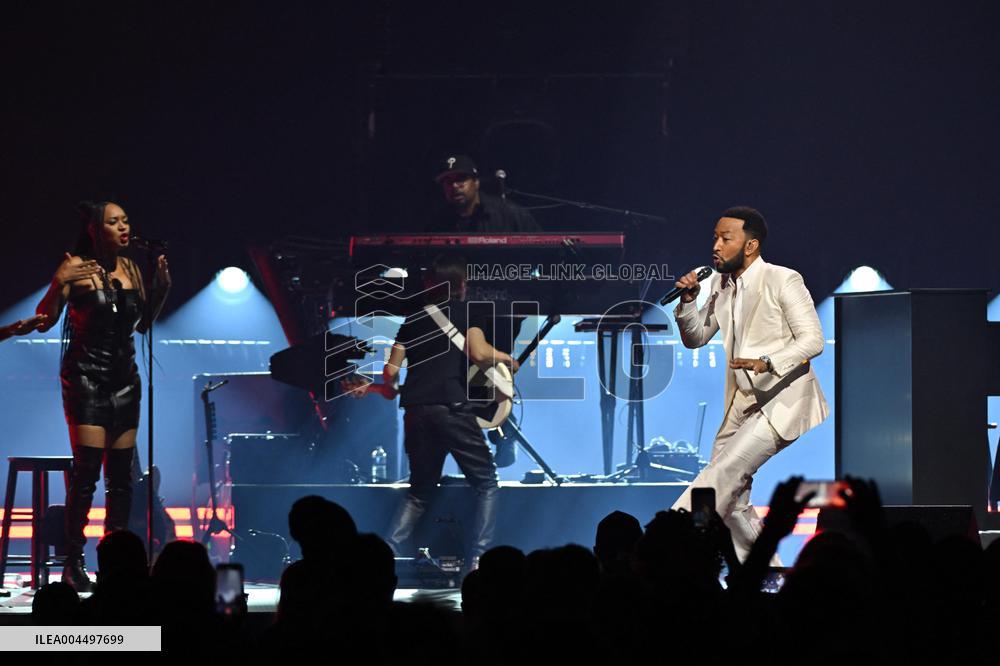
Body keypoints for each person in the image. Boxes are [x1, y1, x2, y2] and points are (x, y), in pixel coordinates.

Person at [670, 206, 828, 561]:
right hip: (740, 403)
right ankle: (765, 575)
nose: (716, 245)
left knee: (723, 474)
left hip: (780, 401)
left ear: (751, 245)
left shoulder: (783, 279)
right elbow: (695, 338)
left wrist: (768, 362)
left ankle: (671, 539)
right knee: (735, 500)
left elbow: (813, 340)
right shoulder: (717, 285)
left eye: (726, 238)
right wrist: (687, 304)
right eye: (714, 237)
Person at [343, 254, 517, 568]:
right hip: (451, 408)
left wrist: (378, 389)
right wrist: (505, 357)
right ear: (462, 285)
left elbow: (390, 374)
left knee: (419, 491)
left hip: (415, 413)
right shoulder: (468, 312)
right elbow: (478, 353)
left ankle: (386, 557)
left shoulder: (411, 320)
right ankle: (479, 559)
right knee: (487, 483)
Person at [35, 201, 170, 590]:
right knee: (88, 474)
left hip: (125, 379)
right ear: (96, 229)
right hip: (85, 379)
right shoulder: (75, 268)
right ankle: (73, 560)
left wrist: (160, 290)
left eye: (127, 220)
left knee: (123, 479)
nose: (124, 227)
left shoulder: (130, 269)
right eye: (114, 222)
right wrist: (58, 279)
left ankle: (115, 562)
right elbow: (45, 322)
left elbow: (143, 324)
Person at [431, 155, 540, 232]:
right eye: (448, 181)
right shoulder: (437, 221)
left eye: (461, 179)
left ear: (476, 183)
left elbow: (543, 255)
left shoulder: (509, 213)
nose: (454, 185)